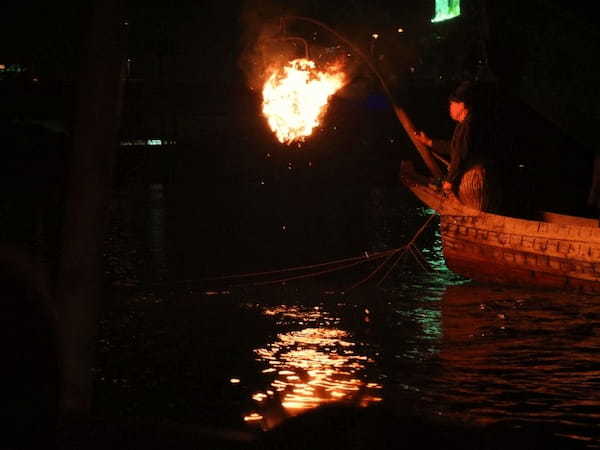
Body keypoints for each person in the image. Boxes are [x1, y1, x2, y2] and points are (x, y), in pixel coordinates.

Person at [414, 80, 502, 212]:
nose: (449, 107)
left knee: (469, 209)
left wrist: (449, 181)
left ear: (462, 105)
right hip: (482, 180)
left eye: (452, 104)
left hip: (474, 182)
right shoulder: (469, 123)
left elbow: (459, 156)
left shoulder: (468, 126)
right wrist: (429, 142)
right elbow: (456, 148)